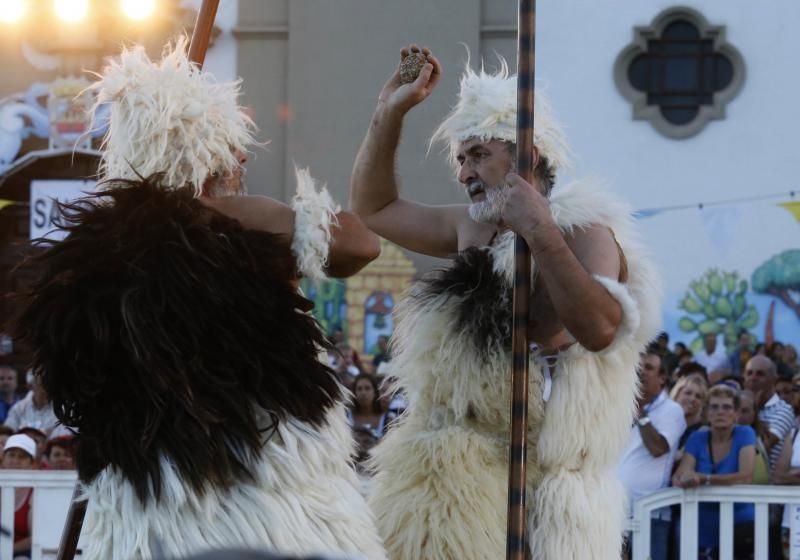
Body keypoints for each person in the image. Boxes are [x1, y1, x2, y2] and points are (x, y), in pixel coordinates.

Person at [12, 41, 385, 560]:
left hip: (185, 511)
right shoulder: (134, 254)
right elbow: (358, 244)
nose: (244, 163)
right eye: (235, 154)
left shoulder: (108, 254)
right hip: (233, 509)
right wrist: (223, 210)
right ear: (204, 159)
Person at [350, 45, 660, 559]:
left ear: (526, 155)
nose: (465, 172)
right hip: (453, 484)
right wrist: (390, 111)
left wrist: (538, 230)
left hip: (541, 495)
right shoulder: (471, 226)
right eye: (461, 157)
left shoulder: (584, 230)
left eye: (478, 155)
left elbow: (601, 328)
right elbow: (373, 208)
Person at [672, 385, 756, 559]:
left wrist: (705, 478)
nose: (720, 412)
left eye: (727, 407)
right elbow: (680, 476)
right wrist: (686, 478)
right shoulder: (697, 438)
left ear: (736, 414)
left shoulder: (745, 433)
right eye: (714, 407)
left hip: (740, 526)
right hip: (702, 527)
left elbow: (745, 477)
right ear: (706, 413)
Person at [618, 352, 686, 560]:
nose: (640, 372)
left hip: (651, 514)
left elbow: (658, 448)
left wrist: (641, 414)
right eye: (637, 367)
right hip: (615, 511)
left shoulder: (672, 410)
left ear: (663, 378)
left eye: (648, 367)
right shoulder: (620, 407)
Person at [1, 434, 38, 559]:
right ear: (3, 459)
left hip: (21, 554)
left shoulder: (35, 493)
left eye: (22, 457)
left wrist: (5, 551)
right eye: (11, 455)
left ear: (32, 464)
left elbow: (36, 536)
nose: (15, 460)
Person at [669, 373, 708, 459]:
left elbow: (681, 457)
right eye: (688, 393)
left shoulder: (703, 431)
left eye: (698, 396)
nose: (692, 399)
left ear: (703, 403)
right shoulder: (664, 422)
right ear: (677, 395)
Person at [737, 390, 770, 485]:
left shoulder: (761, 436)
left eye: (745, 411)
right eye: (736, 410)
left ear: (754, 413)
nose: (739, 416)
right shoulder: (726, 440)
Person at [347, 373, 388, 438]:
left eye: (367, 388)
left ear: (375, 392)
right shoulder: (346, 416)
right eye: (359, 389)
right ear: (354, 393)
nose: (363, 392)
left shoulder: (387, 419)